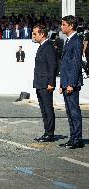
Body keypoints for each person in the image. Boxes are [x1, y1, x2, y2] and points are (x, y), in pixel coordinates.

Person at [59, 15, 84, 149]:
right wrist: (62, 83)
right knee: (69, 111)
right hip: (66, 82)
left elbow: (75, 64)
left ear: (71, 26)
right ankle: (72, 137)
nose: (61, 27)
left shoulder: (76, 40)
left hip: (71, 83)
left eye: (63, 24)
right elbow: (65, 65)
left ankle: (77, 139)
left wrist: (70, 84)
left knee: (74, 111)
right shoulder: (69, 40)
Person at [32, 24, 58, 142]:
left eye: (35, 34)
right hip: (40, 83)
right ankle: (47, 131)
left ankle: (50, 133)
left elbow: (52, 66)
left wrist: (51, 83)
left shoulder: (48, 47)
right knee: (43, 109)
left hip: (46, 83)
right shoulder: (42, 46)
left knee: (47, 108)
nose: (33, 36)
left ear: (42, 34)